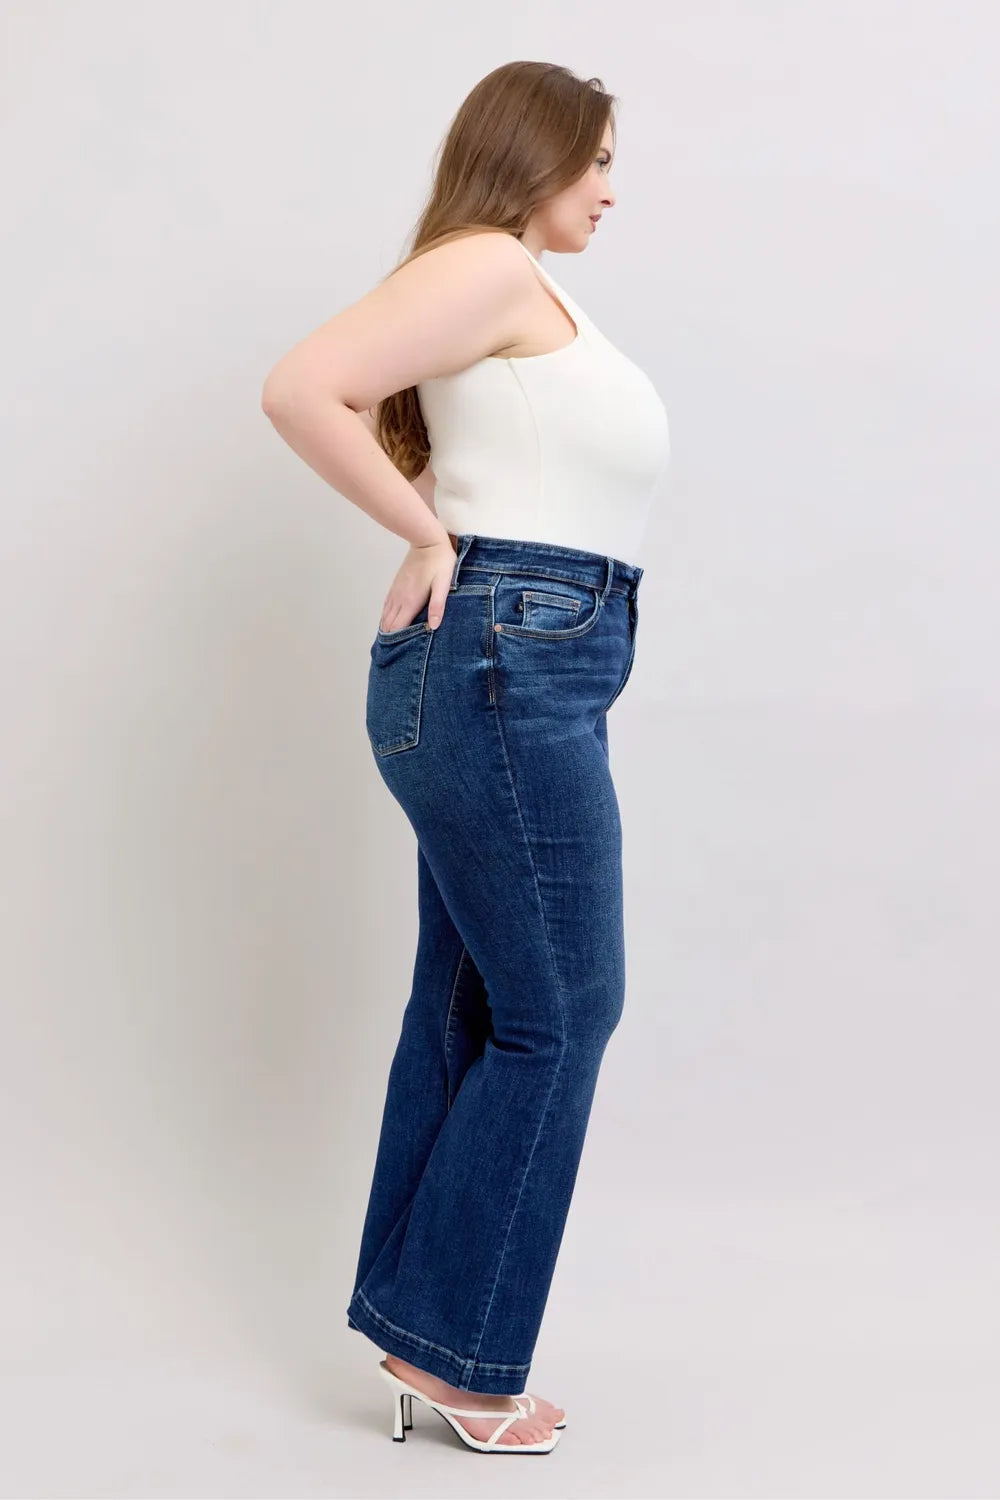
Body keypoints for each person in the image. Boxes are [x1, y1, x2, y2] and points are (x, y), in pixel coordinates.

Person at [261, 60, 670, 1455]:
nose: (613, 189)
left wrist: (450, 527)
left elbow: (505, 459)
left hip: (525, 657)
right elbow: (305, 388)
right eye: (598, 160)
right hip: (509, 658)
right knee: (564, 1007)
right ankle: (461, 1359)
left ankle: (417, 1323)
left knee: (487, 1009)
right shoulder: (490, 263)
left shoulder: (524, 293)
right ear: (536, 153)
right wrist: (431, 540)